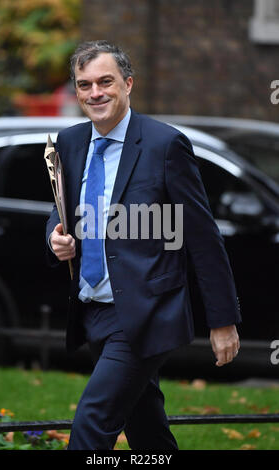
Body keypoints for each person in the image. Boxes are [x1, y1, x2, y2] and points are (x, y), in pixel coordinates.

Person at [46, 40, 241, 450]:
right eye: (84, 85)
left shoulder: (164, 145)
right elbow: (61, 206)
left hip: (145, 313)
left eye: (105, 82)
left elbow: (202, 237)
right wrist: (55, 235)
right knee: (147, 432)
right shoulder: (69, 142)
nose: (95, 93)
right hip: (90, 308)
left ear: (128, 84)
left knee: (91, 425)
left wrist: (222, 320)